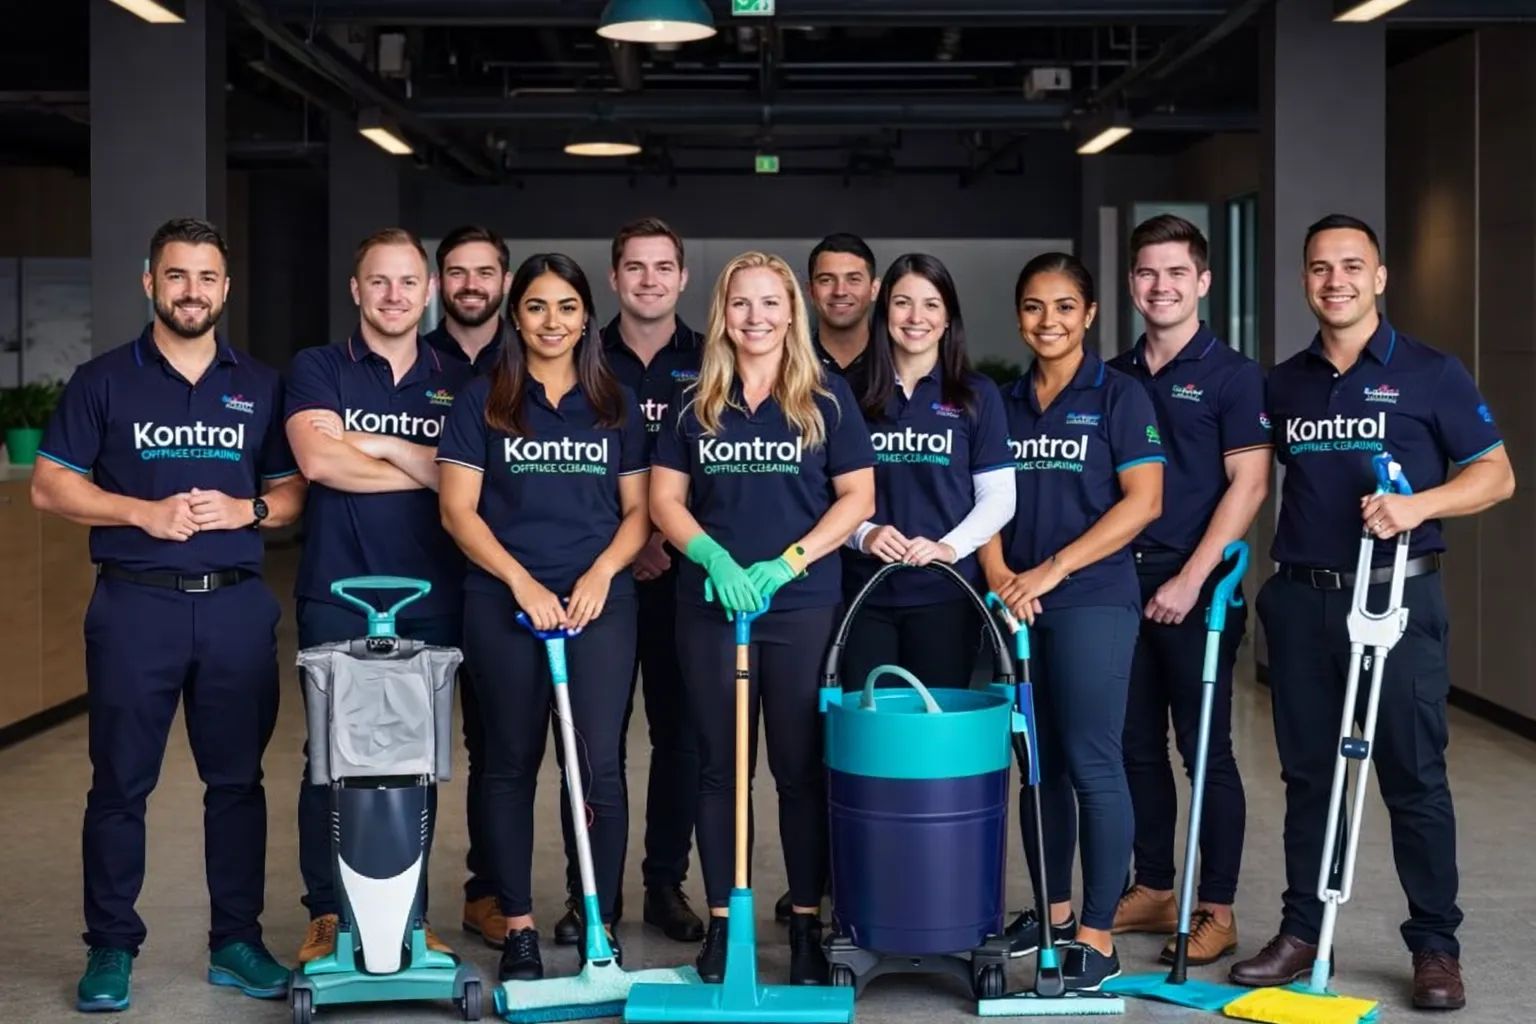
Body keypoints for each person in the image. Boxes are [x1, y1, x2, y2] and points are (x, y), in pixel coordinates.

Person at [1229, 214, 1513, 1011]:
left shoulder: (1432, 373)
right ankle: (1300, 933)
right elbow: (1249, 478)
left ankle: (1435, 948)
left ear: (1381, 277)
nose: (1336, 281)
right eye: (1319, 268)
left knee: (1413, 777)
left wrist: (1415, 504)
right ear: (1304, 281)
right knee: (1309, 777)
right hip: (1303, 600)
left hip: (1398, 599)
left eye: (1352, 266)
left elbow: (1496, 476)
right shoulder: (1281, 384)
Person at [32, 218, 305, 1012]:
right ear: (149, 283)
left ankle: (236, 942)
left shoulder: (259, 383)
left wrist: (245, 506)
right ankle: (111, 949)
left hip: (235, 611)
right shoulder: (103, 380)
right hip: (134, 609)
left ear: (226, 287)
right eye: (177, 276)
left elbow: (290, 493)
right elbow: (52, 486)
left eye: (208, 277)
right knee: (119, 786)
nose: (193, 290)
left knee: (237, 784)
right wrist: (141, 513)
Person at [650, 251, 875, 985]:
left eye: (771, 303)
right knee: (721, 769)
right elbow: (665, 502)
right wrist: (713, 559)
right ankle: (724, 925)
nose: (756, 317)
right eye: (742, 304)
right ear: (724, 314)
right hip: (712, 608)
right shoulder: (693, 403)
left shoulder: (827, 398)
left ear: (792, 312)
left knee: (799, 771)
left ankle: (807, 924)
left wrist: (789, 562)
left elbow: (857, 499)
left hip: (800, 607)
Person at [438, 252, 650, 981]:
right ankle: (520, 925)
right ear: (515, 315)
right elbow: (457, 510)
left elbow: (638, 514)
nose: (551, 321)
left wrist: (598, 574)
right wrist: (521, 582)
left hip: (600, 605)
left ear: (586, 315)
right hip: (504, 603)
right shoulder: (483, 400)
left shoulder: (612, 401)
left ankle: (598, 918)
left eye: (565, 306)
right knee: (507, 764)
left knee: (597, 769)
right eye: (535, 306)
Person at [284, 227, 473, 965]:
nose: (394, 296)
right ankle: (327, 913)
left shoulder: (458, 375)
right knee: (329, 757)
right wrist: (424, 462)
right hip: (336, 591)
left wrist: (380, 444)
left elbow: (466, 481)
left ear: (427, 293)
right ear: (356, 290)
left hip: (434, 594)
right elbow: (319, 461)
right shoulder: (318, 366)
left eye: (407, 283)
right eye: (379, 282)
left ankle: (410, 917)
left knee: (415, 757)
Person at [979, 252, 1165, 991]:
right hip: (1014, 603)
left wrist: (1051, 570)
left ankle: (1096, 935)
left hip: (1091, 600)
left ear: (1089, 314)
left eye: (1063, 307)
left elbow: (1142, 502)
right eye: (1033, 307)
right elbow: (983, 494)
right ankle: (1054, 916)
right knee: (1039, 767)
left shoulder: (1119, 397)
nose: (1047, 322)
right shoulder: (1001, 401)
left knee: (1091, 761)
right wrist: (997, 575)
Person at [1106, 214, 1270, 964]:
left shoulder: (1234, 376)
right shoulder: (1114, 374)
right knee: (1135, 744)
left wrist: (1190, 577)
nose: (1160, 285)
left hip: (1197, 588)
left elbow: (1249, 483)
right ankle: (1154, 886)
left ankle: (1218, 906)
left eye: (1176, 272)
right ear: (1132, 282)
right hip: (1118, 585)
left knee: (1206, 752)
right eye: (1147, 272)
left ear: (1202, 282)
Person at [553, 216, 706, 947]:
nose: (649, 279)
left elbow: (729, 460)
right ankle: (594, 894)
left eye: (663, 267)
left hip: (684, 577)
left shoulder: (713, 360)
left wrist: (668, 539)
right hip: (595, 577)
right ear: (613, 279)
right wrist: (628, 544)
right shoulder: (578, 356)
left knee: (681, 738)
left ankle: (663, 882)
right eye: (634, 267)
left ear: (682, 277)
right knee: (593, 743)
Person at [840, 252, 1015, 692]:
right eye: (902, 303)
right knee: (873, 739)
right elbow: (821, 494)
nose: (916, 317)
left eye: (931, 304)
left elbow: (999, 496)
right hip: (861, 595)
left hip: (946, 594)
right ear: (884, 312)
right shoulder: (846, 391)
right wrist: (864, 534)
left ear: (949, 317)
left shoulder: (977, 395)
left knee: (935, 743)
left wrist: (947, 548)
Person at [423, 225, 511, 949]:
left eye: (485, 271)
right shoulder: (411, 356)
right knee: (400, 750)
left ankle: (488, 892)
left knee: (495, 749)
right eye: (457, 272)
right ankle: (393, 906)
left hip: (495, 591)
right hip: (415, 578)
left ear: (504, 281)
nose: (471, 284)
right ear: (438, 283)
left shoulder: (534, 358)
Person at [807, 232, 880, 397]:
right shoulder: (791, 363)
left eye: (853, 279)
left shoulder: (897, 363)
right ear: (811, 291)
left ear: (874, 289)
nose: (840, 291)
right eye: (826, 280)